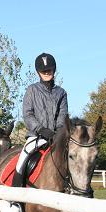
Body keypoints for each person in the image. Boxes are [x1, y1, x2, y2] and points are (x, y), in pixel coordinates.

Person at [12, 53, 68, 187]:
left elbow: (63, 115)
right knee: (21, 162)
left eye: (49, 69)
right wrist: (41, 129)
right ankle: (15, 197)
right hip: (36, 136)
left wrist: (58, 133)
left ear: (54, 70)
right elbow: (27, 114)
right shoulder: (32, 90)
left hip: (56, 138)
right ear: (38, 72)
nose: (47, 72)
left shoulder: (61, 92)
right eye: (44, 71)